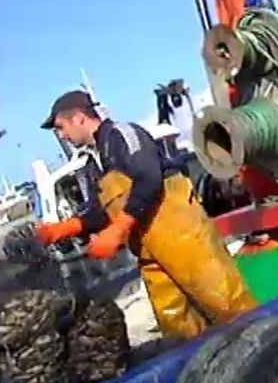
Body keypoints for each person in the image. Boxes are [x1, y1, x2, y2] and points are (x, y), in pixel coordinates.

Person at [34, 90, 258, 339]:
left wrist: (118, 229)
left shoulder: (122, 135)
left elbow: (149, 178)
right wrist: (59, 230)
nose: (62, 136)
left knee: (226, 302)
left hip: (181, 234)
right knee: (175, 324)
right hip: (147, 250)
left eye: (61, 127)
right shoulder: (91, 164)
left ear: (78, 118)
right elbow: (99, 211)